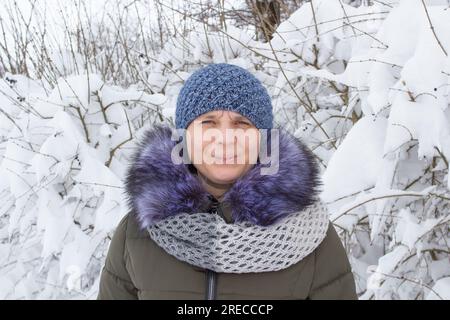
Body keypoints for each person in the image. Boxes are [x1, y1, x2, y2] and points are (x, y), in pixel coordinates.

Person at [97, 63, 358, 300]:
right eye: (208, 122)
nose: (225, 138)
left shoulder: (308, 235)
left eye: (241, 123)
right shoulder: (136, 233)